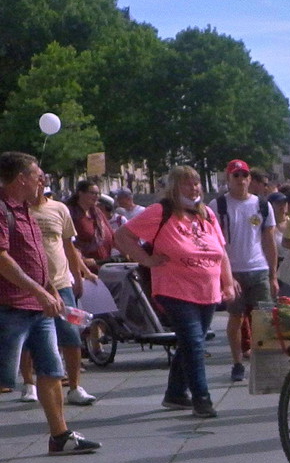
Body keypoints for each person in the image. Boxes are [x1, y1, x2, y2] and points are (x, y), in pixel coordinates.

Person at [114, 166, 235, 419]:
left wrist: (228, 282)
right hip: (175, 289)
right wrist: (145, 260)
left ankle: (175, 393)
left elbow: (221, 252)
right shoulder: (161, 211)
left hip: (207, 290)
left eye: (196, 184)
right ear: (175, 187)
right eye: (187, 184)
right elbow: (123, 236)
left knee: (192, 342)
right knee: (194, 343)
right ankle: (202, 397)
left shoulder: (207, 215)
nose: (194, 188)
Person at [0, 153, 101, 453]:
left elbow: (36, 257)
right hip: (10, 307)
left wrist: (51, 290)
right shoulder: (3, 210)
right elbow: (2, 259)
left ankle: (60, 436)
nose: (43, 181)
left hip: (37, 305)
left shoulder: (26, 210)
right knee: (4, 379)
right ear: (21, 179)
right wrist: (39, 291)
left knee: (51, 369)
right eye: (38, 176)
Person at [19, 184, 99, 405]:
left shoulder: (59, 209)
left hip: (61, 282)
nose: (35, 187)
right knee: (27, 338)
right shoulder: (16, 210)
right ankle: (29, 384)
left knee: (71, 335)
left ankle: (74, 387)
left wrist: (78, 275)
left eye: (39, 182)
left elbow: (68, 246)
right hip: (27, 284)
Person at [215, 159, 277, 383]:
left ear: (250, 179)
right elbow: (216, 243)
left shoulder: (262, 205)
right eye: (236, 176)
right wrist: (226, 275)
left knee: (265, 317)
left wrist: (273, 274)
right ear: (229, 179)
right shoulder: (219, 205)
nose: (241, 180)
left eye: (244, 176)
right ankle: (237, 361)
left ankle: (265, 361)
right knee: (236, 316)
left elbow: (269, 240)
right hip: (234, 269)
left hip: (258, 266)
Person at [69, 178, 115, 273]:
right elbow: (68, 242)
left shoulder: (97, 213)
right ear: (80, 193)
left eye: (98, 194)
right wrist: (82, 260)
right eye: (92, 193)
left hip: (103, 267)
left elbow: (112, 236)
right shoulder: (71, 214)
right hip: (83, 270)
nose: (96, 196)